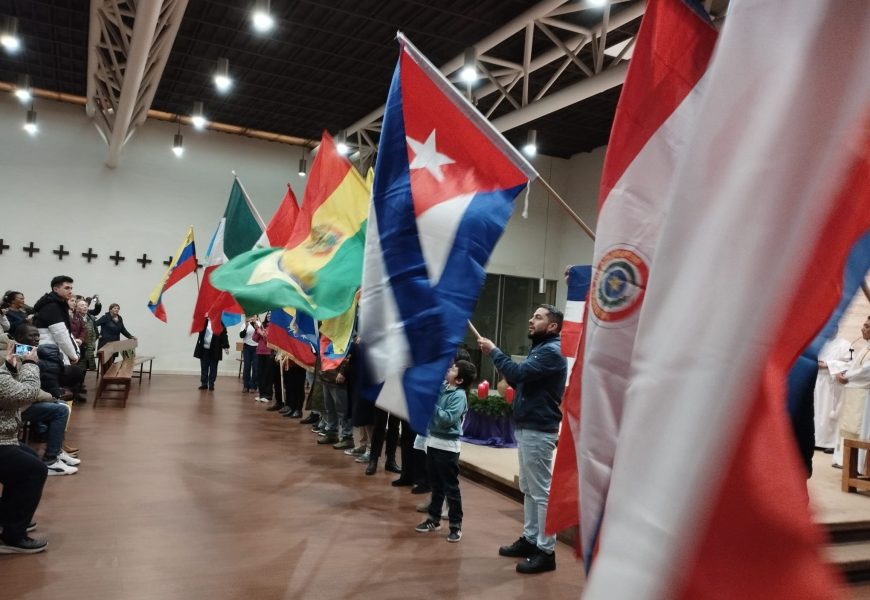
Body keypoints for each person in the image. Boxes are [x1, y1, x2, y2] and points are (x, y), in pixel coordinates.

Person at [479, 304, 567, 575]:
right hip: (529, 426)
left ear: (552, 326)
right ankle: (530, 540)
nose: (531, 320)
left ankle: (546, 551)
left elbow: (517, 375)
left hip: (539, 429)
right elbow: (521, 381)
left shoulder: (552, 351)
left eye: (538, 317)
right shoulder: (541, 348)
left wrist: (494, 351)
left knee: (541, 491)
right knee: (529, 488)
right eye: (532, 315)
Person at [414, 360, 475, 543]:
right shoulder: (442, 389)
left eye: (453, 369)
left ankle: (456, 525)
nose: (449, 369)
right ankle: (434, 519)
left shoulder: (459, 396)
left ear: (459, 380)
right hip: (432, 442)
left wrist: (431, 404)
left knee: (450, 487)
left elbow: (446, 420)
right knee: (436, 485)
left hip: (447, 447)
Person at [0, 339, 49, 553]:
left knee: (28, 459)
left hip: (5, 437)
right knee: (34, 470)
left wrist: (9, 368)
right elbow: (25, 394)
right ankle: (12, 536)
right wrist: (30, 364)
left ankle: (9, 518)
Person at [13, 325, 80, 474]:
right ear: (19, 338)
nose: (37, 339)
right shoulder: (16, 356)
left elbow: (34, 384)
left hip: (26, 401)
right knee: (60, 410)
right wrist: (49, 397)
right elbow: (24, 388)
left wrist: (50, 397)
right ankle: (51, 460)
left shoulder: (27, 352)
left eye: (37, 335)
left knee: (62, 405)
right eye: (32, 336)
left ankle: (56, 451)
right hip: (15, 406)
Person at [833, 316, 870, 474]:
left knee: (858, 429)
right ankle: (844, 460)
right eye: (864, 325)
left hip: (863, 394)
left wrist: (846, 377)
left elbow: (866, 371)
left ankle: (857, 466)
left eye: (867, 326)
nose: (863, 329)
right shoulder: (866, 347)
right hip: (853, 390)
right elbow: (855, 366)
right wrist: (844, 373)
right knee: (848, 427)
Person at [814, 337, 852, 452]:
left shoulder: (845, 344)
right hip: (816, 379)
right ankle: (815, 440)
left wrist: (829, 364)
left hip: (832, 382)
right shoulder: (816, 341)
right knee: (816, 411)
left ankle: (830, 443)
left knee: (829, 412)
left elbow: (851, 363)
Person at [33, 276, 79, 365]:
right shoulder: (53, 306)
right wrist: (73, 355)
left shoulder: (58, 304)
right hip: (51, 353)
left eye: (71, 288)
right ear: (56, 289)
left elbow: (65, 333)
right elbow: (61, 334)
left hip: (52, 351)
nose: (70, 291)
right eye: (66, 288)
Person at [193, 318, 229, 391]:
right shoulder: (203, 322)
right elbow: (199, 329)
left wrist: (225, 346)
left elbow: (224, 335)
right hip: (204, 349)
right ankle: (204, 383)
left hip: (215, 349)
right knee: (204, 366)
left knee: (213, 367)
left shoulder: (220, 323)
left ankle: (211, 383)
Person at [239, 316, 259, 393]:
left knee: (255, 367)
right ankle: (246, 385)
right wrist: (246, 327)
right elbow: (241, 335)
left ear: (257, 317)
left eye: (254, 316)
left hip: (256, 347)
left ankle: (254, 386)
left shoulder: (259, 324)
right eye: (251, 316)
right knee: (247, 366)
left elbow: (260, 333)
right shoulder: (245, 324)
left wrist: (254, 324)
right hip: (247, 347)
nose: (252, 317)